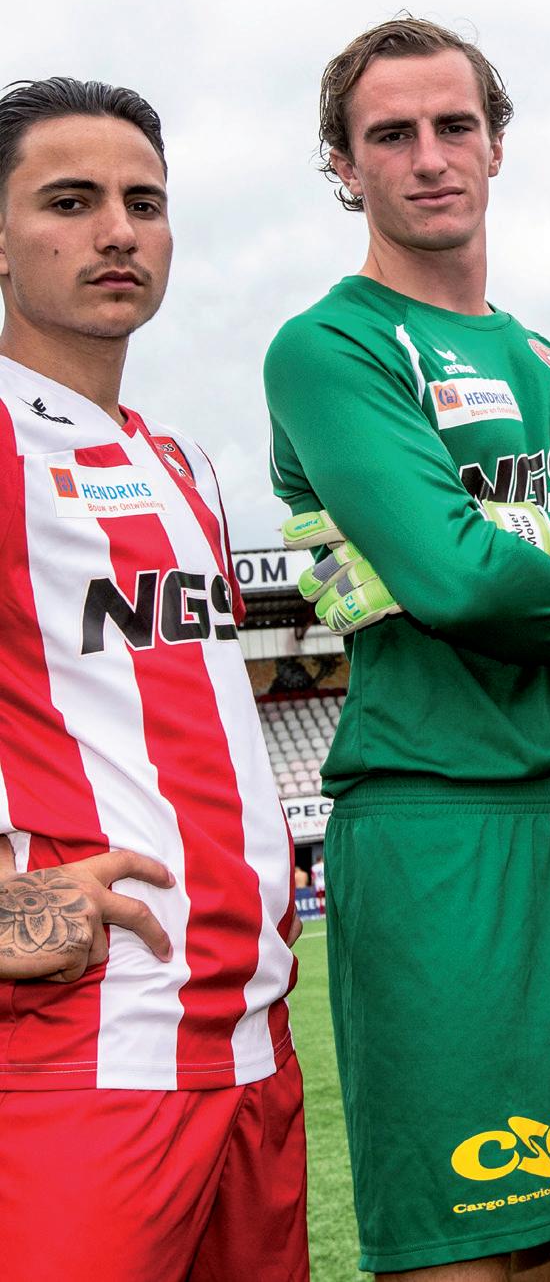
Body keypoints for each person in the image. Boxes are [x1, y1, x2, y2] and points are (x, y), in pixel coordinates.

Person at [263, 17, 550, 1282]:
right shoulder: (332, 346)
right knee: (462, 1246)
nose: (428, 157)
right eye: (389, 134)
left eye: (453, 125)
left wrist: (508, 531)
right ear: (343, 164)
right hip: (433, 818)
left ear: (496, 145)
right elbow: (456, 584)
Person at [0, 76, 305, 1281]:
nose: (117, 231)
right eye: (69, 201)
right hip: (81, 1051)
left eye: (144, 202)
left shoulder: (181, 464)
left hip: (251, 1046)